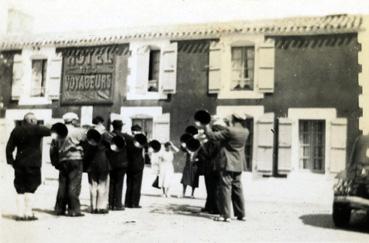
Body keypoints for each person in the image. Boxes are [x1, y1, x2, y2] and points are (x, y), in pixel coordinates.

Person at [205, 113, 249, 222]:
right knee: (237, 188)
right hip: (238, 164)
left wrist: (207, 124)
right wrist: (228, 122)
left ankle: (225, 215)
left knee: (225, 188)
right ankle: (241, 214)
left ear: (233, 119)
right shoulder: (245, 131)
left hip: (227, 163)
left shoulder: (230, 131)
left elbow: (212, 136)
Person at [6, 112, 51, 221]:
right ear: (31, 120)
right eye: (35, 120)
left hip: (20, 163)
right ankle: (28, 213)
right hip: (33, 164)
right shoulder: (38, 129)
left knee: (20, 189)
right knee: (31, 188)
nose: (36, 122)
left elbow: (9, 148)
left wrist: (11, 161)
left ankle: (20, 214)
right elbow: (51, 131)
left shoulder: (16, 130)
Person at [51, 112, 86, 217]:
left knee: (62, 185)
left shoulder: (57, 132)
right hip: (76, 159)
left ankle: (59, 209)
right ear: (72, 120)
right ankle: (74, 210)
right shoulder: (78, 131)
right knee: (74, 184)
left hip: (62, 160)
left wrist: (55, 162)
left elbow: (52, 148)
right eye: (76, 119)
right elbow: (86, 142)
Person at [84, 116, 111, 214]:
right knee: (102, 184)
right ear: (101, 122)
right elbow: (112, 145)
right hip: (103, 160)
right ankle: (101, 207)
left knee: (92, 184)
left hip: (91, 161)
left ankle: (93, 207)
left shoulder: (88, 133)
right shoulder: (105, 133)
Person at [107, 120, 128, 211]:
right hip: (122, 163)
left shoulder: (108, 136)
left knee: (111, 183)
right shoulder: (125, 136)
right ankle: (118, 204)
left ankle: (111, 203)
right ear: (121, 127)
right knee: (119, 184)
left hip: (111, 163)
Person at [125, 125, 146, 208]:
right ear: (139, 131)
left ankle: (127, 202)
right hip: (138, 164)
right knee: (137, 183)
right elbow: (146, 146)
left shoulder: (128, 139)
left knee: (129, 183)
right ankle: (134, 203)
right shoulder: (141, 139)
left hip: (129, 164)